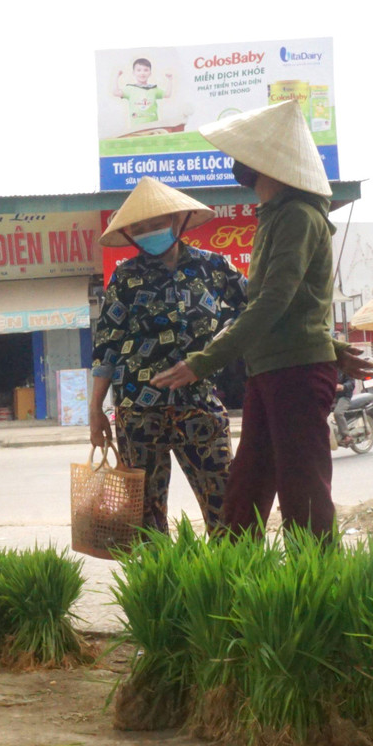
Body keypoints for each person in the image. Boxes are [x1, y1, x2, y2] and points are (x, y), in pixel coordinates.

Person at [152, 100, 373, 542]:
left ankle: (316, 591)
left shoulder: (296, 215)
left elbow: (274, 301)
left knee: (302, 492)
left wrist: (203, 361)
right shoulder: (277, 215)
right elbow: (293, 310)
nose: (237, 164)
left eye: (244, 156)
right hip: (271, 370)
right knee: (247, 486)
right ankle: (235, 583)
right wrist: (331, 349)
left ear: (266, 162)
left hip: (292, 372)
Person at [89, 177, 247, 534]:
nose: (149, 232)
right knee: (145, 518)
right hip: (138, 413)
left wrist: (219, 346)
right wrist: (95, 411)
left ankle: (225, 586)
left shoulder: (214, 267)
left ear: (178, 221)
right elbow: (106, 347)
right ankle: (157, 587)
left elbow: (254, 310)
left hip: (200, 405)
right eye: (140, 228)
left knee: (228, 509)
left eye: (156, 223)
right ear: (129, 236)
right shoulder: (125, 277)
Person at [112, 58, 177, 132]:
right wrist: (116, 77)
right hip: (137, 128)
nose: (142, 73)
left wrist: (170, 80)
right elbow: (115, 92)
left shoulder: (153, 89)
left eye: (146, 70)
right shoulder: (130, 89)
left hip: (153, 126)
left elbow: (167, 94)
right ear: (134, 73)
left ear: (150, 73)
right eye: (139, 70)